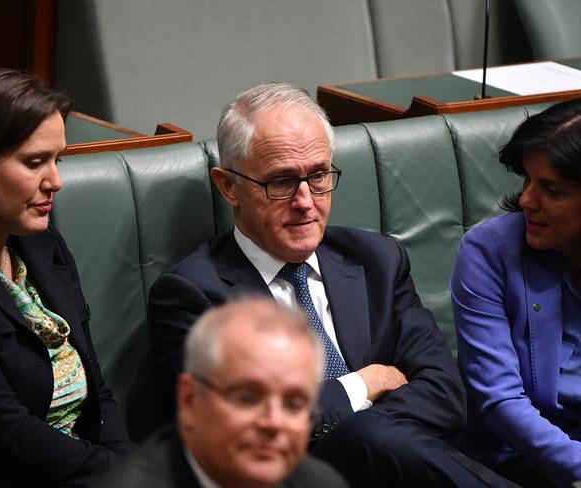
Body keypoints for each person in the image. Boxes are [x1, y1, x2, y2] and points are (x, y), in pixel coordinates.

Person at [149, 82, 512, 487]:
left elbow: (445, 394)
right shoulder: (195, 295)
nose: (306, 200)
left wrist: (344, 426)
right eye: (282, 181)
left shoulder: (377, 261)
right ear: (229, 186)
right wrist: (364, 383)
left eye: (319, 175)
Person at [0, 68, 135, 487]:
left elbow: (98, 389)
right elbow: (1, 430)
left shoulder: (41, 243)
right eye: (35, 162)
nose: (55, 182)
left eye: (57, 160)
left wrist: (134, 465)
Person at [451, 98, 581, 487]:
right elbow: (500, 401)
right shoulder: (489, 251)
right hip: (514, 459)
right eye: (527, 180)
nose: (526, 200)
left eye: (551, 190)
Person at [93, 297, 349, 488]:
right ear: (190, 399)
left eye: (294, 404)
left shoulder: (321, 482)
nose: (274, 422)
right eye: (247, 398)